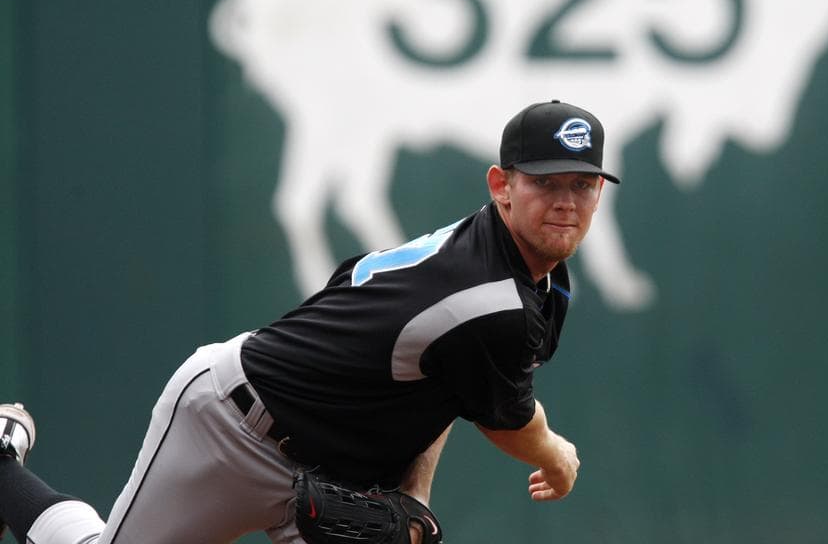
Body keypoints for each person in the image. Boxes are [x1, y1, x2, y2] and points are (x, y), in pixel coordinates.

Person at [0, 99, 620, 544]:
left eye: (583, 183)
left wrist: (412, 495)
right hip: (232, 430)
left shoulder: (519, 272)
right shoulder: (490, 298)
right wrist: (557, 456)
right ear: (501, 185)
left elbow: (445, 377)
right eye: (546, 183)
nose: (566, 201)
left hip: (333, 475)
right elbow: (511, 422)